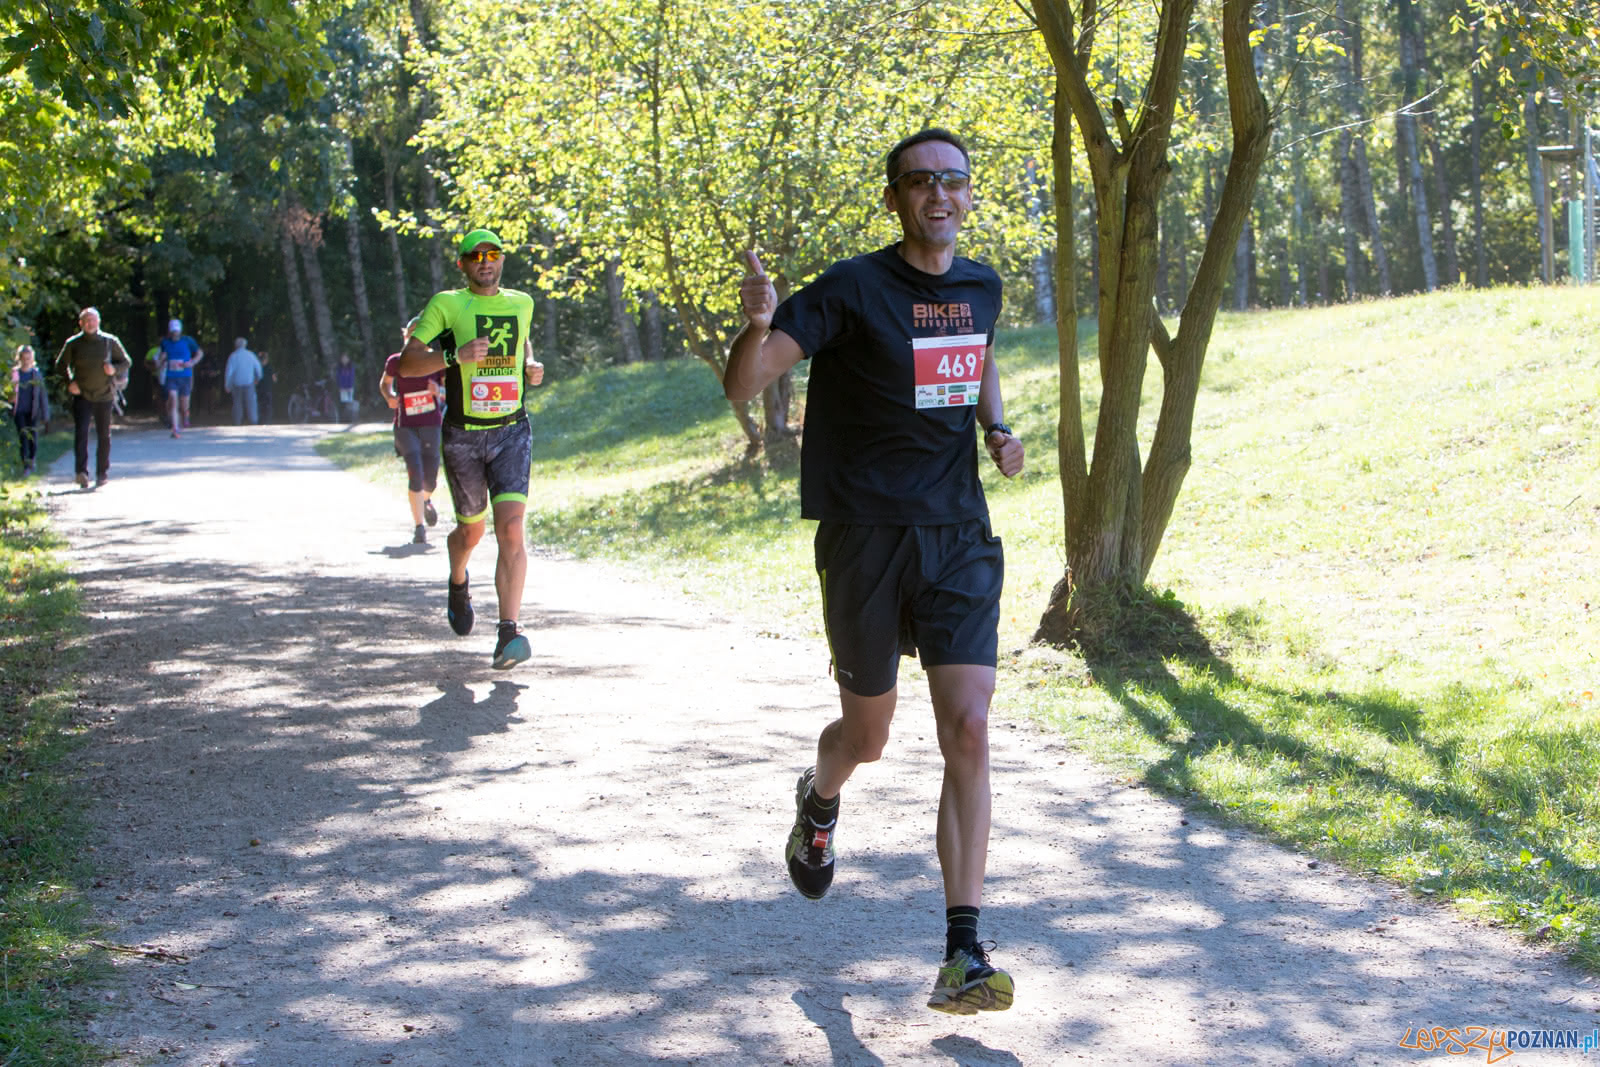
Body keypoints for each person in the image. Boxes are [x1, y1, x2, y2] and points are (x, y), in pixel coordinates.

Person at [724, 128, 1026, 1016]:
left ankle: (963, 950)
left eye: (953, 180)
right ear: (893, 198)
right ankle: (819, 800)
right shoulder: (852, 288)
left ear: (969, 194)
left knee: (969, 726)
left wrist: (996, 427)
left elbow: (977, 353)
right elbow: (746, 384)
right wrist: (757, 324)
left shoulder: (981, 285)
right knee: (868, 737)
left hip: (957, 534)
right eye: (919, 181)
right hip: (863, 537)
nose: (939, 193)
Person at [398, 228, 545, 670]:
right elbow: (407, 363)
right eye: (475, 255)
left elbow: (521, 338)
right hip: (463, 434)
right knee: (471, 534)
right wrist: (453, 357)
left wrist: (529, 364)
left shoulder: (522, 302)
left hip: (511, 431)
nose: (485, 261)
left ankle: (508, 633)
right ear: (461, 263)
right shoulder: (447, 304)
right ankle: (458, 580)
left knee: (512, 528)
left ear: (502, 260)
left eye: (492, 254)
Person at [381, 317, 445, 543]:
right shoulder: (396, 361)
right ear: (406, 336)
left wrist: (438, 391)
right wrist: (390, 397)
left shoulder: (437, 360)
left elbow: (450, 391)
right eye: (412, 334)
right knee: (415, 472)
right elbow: (385, 383)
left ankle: (425, 500)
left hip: (431, 424)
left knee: (430, 480)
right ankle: (419, 527)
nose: (416, 339)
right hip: (405, 425)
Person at [55, 306, 133, 488]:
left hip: (105, 394)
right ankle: (81, 472)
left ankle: (102, 473)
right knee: (81, 433)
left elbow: (126, 361)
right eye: (86, 320)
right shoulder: (73, 343)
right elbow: (60, 365)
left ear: (99, 322)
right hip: (82, 394)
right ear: (80, 323)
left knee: (104, 435)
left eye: (93, 320)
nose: (90, 323)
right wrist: (69, 382)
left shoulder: (109, 341)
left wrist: (114, 369)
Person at [158, 318, 203, 436]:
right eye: (173, 331)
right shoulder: (165, 342)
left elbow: (200, 353)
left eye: (177, 331)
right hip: (171, 376)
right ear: (170, 331)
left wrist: (192, 362)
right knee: (173, 400)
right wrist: (161, 361)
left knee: (184, 404)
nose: (175, 333)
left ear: (180, 330)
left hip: (185, 376)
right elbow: (162, 355)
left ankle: (185, 414)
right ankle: (175, 428)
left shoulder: (188, 341)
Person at [9, 344, 49, 476]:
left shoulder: (36, 374)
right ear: (19, 358)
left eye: (28, 358)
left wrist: (45, 415)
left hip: (33, 412)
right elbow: (8, 392)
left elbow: (42, 395)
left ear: (32, 359)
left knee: (33, 438)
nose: (26, 361)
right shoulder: (15, 374)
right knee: (23, 438)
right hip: (19, 411)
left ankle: (32, 460)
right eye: (23, 358)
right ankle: (25, 465)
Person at [223, 337, 263, 425]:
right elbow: (258, 368)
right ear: (245, 345)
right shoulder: (251, 355)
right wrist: (258, 378)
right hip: (249, 382)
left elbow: (229, 372)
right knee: (251, 403)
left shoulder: (233, 356)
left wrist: (227, 384)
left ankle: (237, 422)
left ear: (236, 345)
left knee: (237, 403)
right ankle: (253, 421)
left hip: (237, 383)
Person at [335, 353, 359, 422]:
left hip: (349, 387)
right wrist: (340, 386)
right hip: (342, 388)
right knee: (344, 402)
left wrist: (350, 386)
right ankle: (344, 419)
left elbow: (352, 377)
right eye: (343, 358)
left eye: (345, 358)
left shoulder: (351, 367)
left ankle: (351, 419)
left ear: (348, 359)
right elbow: (338, 378)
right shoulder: (339, 368)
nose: (344, 360)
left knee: (350, 402)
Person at [257, 350, 276, 423]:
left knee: (260, 405)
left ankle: (260, 420)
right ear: (266, 359)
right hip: (268, 389)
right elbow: (274, 379)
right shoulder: (270, 367)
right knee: (268, 406)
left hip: (259, 389)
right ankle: (267, 421)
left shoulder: (258, 367)